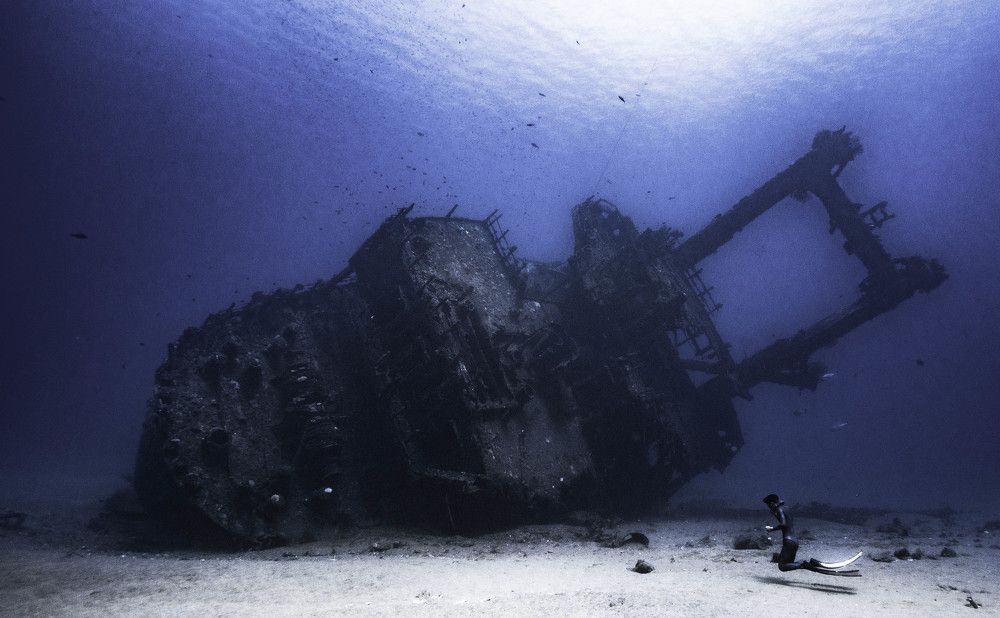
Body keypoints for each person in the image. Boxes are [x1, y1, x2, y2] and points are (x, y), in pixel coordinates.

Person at [762, 493, 862, 577]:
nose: (769, 508)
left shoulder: (779, 510)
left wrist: (772, 529)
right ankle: (809, 563)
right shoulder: (786, 508)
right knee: (789, 563)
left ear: (772, 503)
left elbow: (784, 524)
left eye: (769, 505)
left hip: (788, 541)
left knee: (782, 567)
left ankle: (804, 564)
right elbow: (787, 521)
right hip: (794, 541)